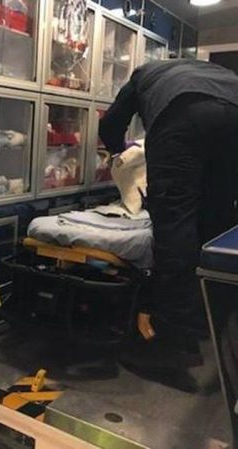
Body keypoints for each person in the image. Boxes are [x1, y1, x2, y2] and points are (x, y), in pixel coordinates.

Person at [99, 59, 238, 388]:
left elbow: (111, 125)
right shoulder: (217, 73)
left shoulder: (145, 74)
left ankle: (174, 344)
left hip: (183, 115)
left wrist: (119, 155)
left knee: (174, 224)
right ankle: (210, 318)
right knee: (216, 220)